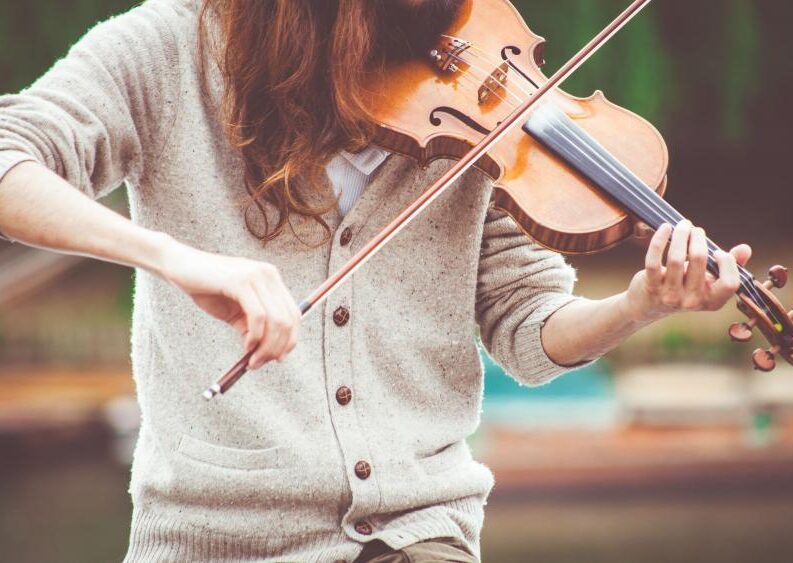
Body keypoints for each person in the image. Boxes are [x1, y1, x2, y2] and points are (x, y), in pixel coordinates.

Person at [0, 0, 750, 561]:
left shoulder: (473, 90)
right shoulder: (164, 49)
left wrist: (637, 304)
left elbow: (528, 326)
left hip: (422, 532)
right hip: (217, 536)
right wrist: (169, 255)